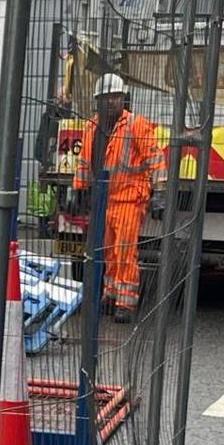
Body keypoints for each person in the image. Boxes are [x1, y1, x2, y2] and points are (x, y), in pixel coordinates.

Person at [74, 73, 161, 321]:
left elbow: (155, 159)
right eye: (106, 97)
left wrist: (161, 193)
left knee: (124, 251)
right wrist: (79, 189)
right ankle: (110, 294)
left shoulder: (136, 125)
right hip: (104, 200)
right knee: (108, 250)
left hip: (130, 198)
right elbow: (84, 162)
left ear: (124, 99)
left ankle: (126, 303)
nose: (111, 102)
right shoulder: (92, 126)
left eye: (116, 97)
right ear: (97, 101)